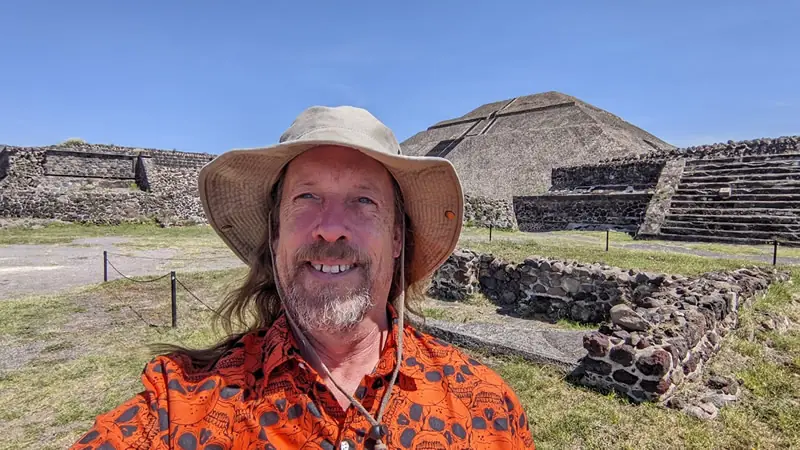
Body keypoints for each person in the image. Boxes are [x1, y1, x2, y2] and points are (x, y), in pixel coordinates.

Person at [71, 106, 535, 449]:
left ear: (397, 238)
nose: (330, 226)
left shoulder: (486, 408)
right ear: (275, 234)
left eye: (364, 200)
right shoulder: (179, 405)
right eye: (307, 196)